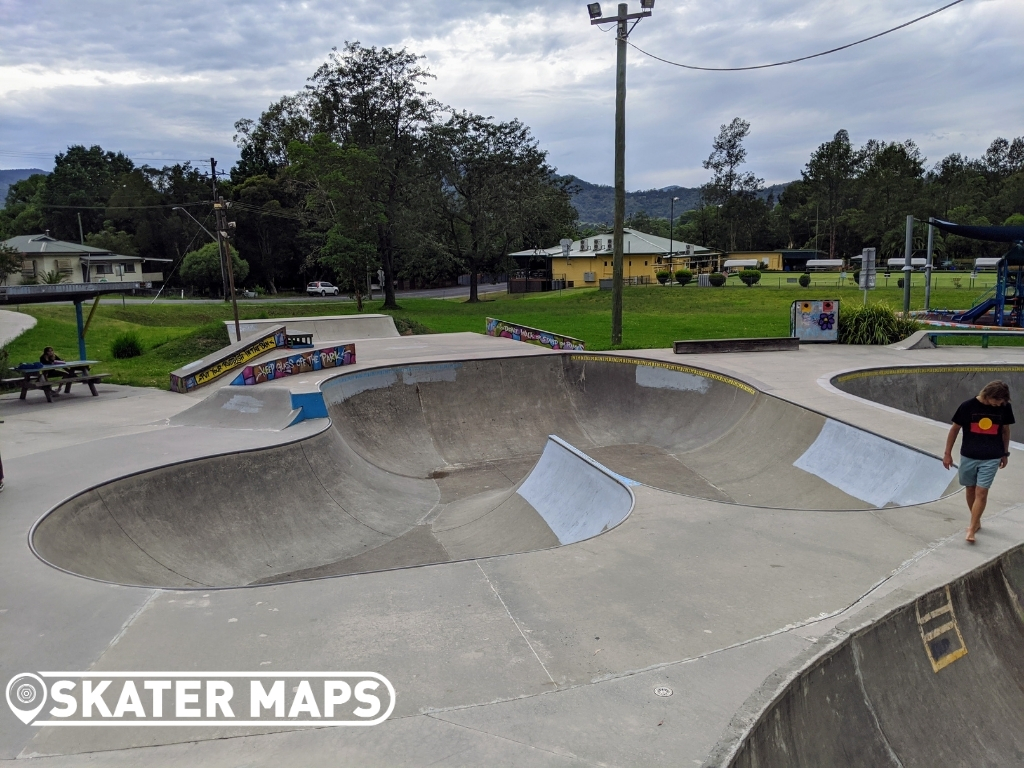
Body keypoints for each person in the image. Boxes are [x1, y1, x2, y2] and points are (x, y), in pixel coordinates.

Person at [943, 380, 1014, 543]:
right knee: (970, 490)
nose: (1000, 405)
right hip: (969, 456)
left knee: (981, 492)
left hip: (992, 457)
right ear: (989, 396)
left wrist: (1005, 453)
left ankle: (971, 528)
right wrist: (947, 454)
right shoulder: (967, 406)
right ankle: (976, 520)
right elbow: (954, 429)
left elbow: (1005, 430)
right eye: (998, 401)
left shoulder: (1004, 408)